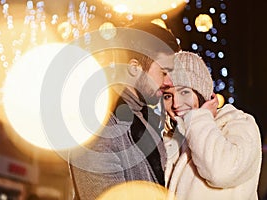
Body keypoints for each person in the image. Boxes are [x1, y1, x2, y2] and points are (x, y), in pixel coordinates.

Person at [69, 22, 181, 200]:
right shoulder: (96, 126)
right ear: (135, 68)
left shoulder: (148, 120)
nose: (169, 82)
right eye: (163, 72)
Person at [162, 51, 262, 200]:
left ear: (202, 93)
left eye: (184, 92)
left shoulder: (239, 123)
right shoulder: (171, 139)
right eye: (168, 96)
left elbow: (221, 172)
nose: (176, 103)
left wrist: (200, 118)